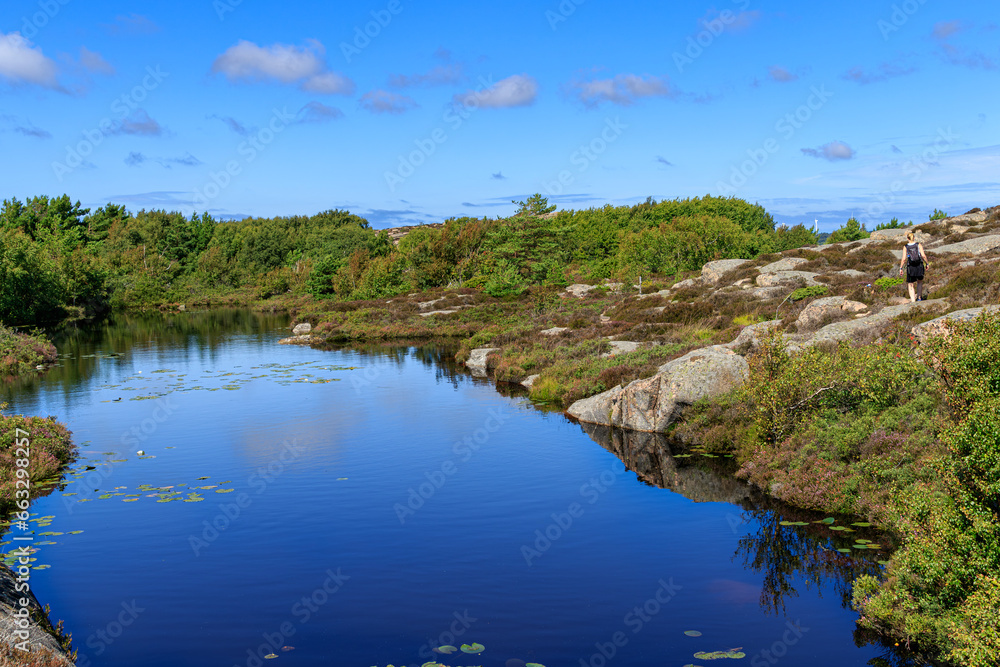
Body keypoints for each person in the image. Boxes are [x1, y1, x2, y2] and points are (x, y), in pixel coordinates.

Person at [898, 231, 930, 302]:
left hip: (910, 266)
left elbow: (903, 259)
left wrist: (901, 268)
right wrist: (927, 263)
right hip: (919, 265)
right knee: (919, 282)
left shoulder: (905, 247)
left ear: (907, 238)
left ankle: (913, 301)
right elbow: (923, 255)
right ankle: (919, 298)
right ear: (914, 238)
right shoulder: (918, 245)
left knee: (910, 284)